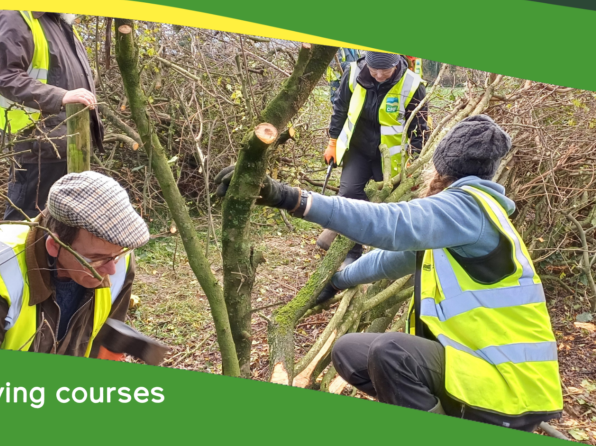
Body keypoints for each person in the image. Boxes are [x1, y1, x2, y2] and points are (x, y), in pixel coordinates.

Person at [216, 115, 563, 431]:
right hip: (478, 370)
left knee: (391, 352)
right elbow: (388, 260)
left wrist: (292, 198)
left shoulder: (470, 209)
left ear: (442, 166)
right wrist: (336, 281)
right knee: (350, 352)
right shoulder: (460, 221)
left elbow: (389, 224)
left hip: (509, 386)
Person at [0, 171, 149, 357]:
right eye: (96, 259)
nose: (111, 269)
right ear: (55, 245)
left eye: (117, 255)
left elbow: (103, 345)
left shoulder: (116, 256)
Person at [318, 51, 429, 267]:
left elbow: (420, 129)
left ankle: (382, 255)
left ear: (396, 65)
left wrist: (414, 163)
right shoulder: (352, 73)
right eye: (374, 69)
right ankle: (352, 253)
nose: (378, 75)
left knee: (386, 203)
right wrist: (333, 141)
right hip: (358, 148)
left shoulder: (413, 85)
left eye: (384, 71)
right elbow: (340, 108)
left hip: (388, 157)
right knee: (349, 194)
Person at [0, 10, 103, 221]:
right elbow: (6, 78)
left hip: (68, 143)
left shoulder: (60, 21)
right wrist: (61, 96)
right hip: (38, 144)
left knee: (61, 226)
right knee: (26, 224)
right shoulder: (16, 15)